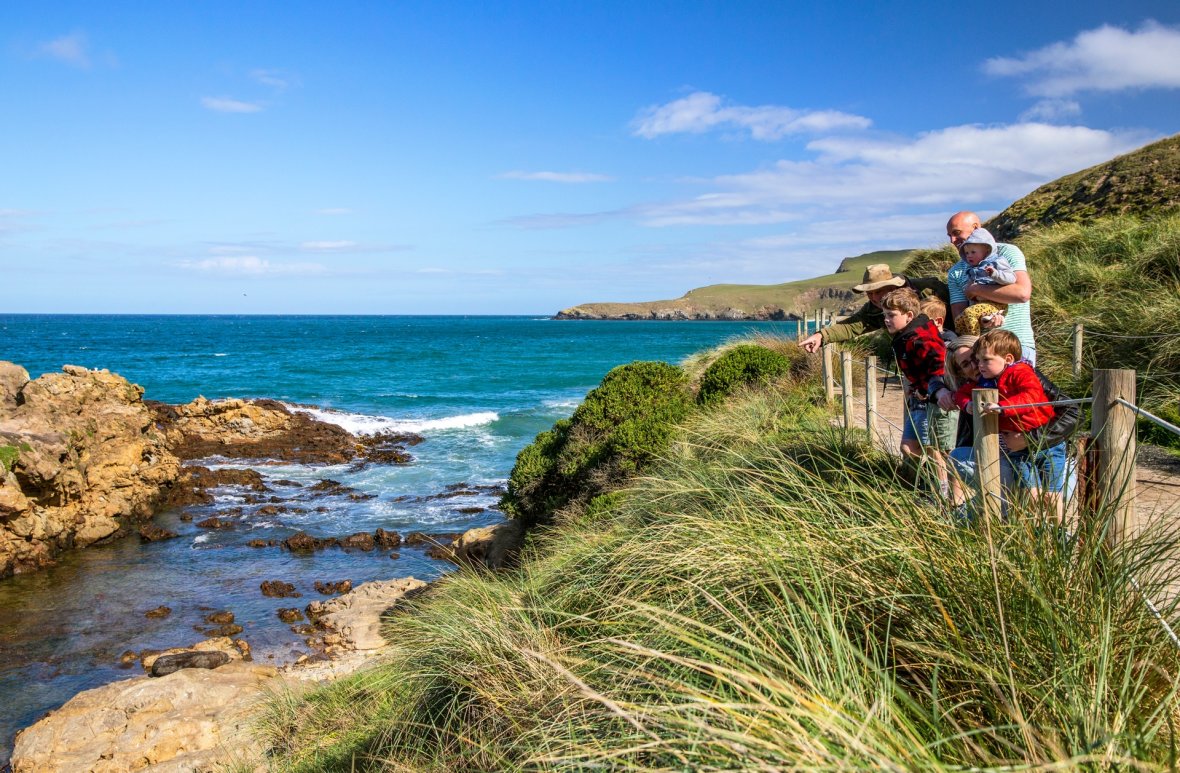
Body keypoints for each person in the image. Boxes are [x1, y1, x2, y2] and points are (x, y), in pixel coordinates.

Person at [951, 330, 1067, 516]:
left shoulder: (1022, 373)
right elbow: (961, 394)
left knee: (1052, 496)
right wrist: (968, 404)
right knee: (1030, 494)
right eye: (977, 360)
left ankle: (1058, 535)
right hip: (1018, 452)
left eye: (985, 360)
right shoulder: (987, 381)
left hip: (1048, 446)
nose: (979, 366)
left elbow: (1031, 397)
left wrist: (1002, 407)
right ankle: (1034, 531)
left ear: (1008, 358)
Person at [945, 211, 1037, 363]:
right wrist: (980, 320)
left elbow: (1022, 293)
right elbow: (959, 319)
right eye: (949, 235)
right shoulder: (956, 271)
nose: (952, 240)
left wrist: (975, 290)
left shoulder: (1006, 253)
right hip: (981, 353)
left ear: (975, 228)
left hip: (1017, 345)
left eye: (956, 233)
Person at [799, 264, 951, 353]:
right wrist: (821, 336)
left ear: (892, 287)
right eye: (869, 293)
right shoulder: (874, 309)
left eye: (878, 291)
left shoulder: (928, 289)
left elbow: (955, 309)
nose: (874, 297)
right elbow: (852, 326)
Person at [881, 288, 947, 466]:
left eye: (891, 315)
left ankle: (941, 491)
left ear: (909, 315)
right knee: (908, 448)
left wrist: (930, 389)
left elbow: (940, 365)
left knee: (934, 450)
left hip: (932, 401)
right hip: (920, 397)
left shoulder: (921, 338)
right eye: (885, 314)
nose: (886, 319)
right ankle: (927, 483)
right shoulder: (907, 336)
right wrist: (915, 385)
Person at [919, 295, 957, 496]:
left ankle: (947, 492)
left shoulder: (947, 344)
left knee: (944, 449)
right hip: (934, 400)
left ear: (938, 322)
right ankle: (942, 489)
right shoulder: (932, 341)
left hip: (945, 403)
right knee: (934, 446)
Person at [954, 227, 1015, 336]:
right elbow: (969, 292)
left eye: (973, 252)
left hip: (996, 304)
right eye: (967, 253)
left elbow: (1011, 278)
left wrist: (995, 274)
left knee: (969, 313)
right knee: (959, 320)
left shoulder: (997, 262)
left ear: (987, 250)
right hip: (980, 304)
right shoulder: (972, 269)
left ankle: (974, 341)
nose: (969, 255)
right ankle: (964, 340)